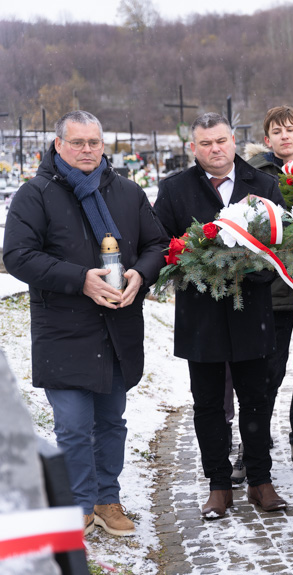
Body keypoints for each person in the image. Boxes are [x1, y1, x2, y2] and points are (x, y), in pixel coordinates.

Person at [3, 110, 168, 536]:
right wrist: (80, 280)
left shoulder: (127, 192)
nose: (87, 150)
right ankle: (78, 504)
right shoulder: (36, 194)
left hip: (117, 327)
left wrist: (140, 273)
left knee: (112, 421)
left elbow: (156, 244)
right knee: (74, 426)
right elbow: (17, 256)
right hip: (64, 328)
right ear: (58, 145)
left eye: (94, 142)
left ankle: (106, 499)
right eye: (77, 143)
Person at [154, 112, 288, 519]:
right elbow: (161, 245)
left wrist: (250, 269)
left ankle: (260, 481)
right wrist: (198, 265)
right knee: (208, 403)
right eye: (206, 143)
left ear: (233, 141)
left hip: (252, 310)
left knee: (257, 399)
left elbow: (283, 245)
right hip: (201, 315)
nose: (215, 149)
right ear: (193, 147)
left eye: (221, 141)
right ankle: (218, 485)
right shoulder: (175, 189)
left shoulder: (263, 185)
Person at [241, 105, 293, 479]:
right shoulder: (255, 176)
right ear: (267, 139)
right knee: (267, 373)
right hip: (272, 291)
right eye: (276, 132)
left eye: (290, 130)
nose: (284, 136)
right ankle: (253, 446)